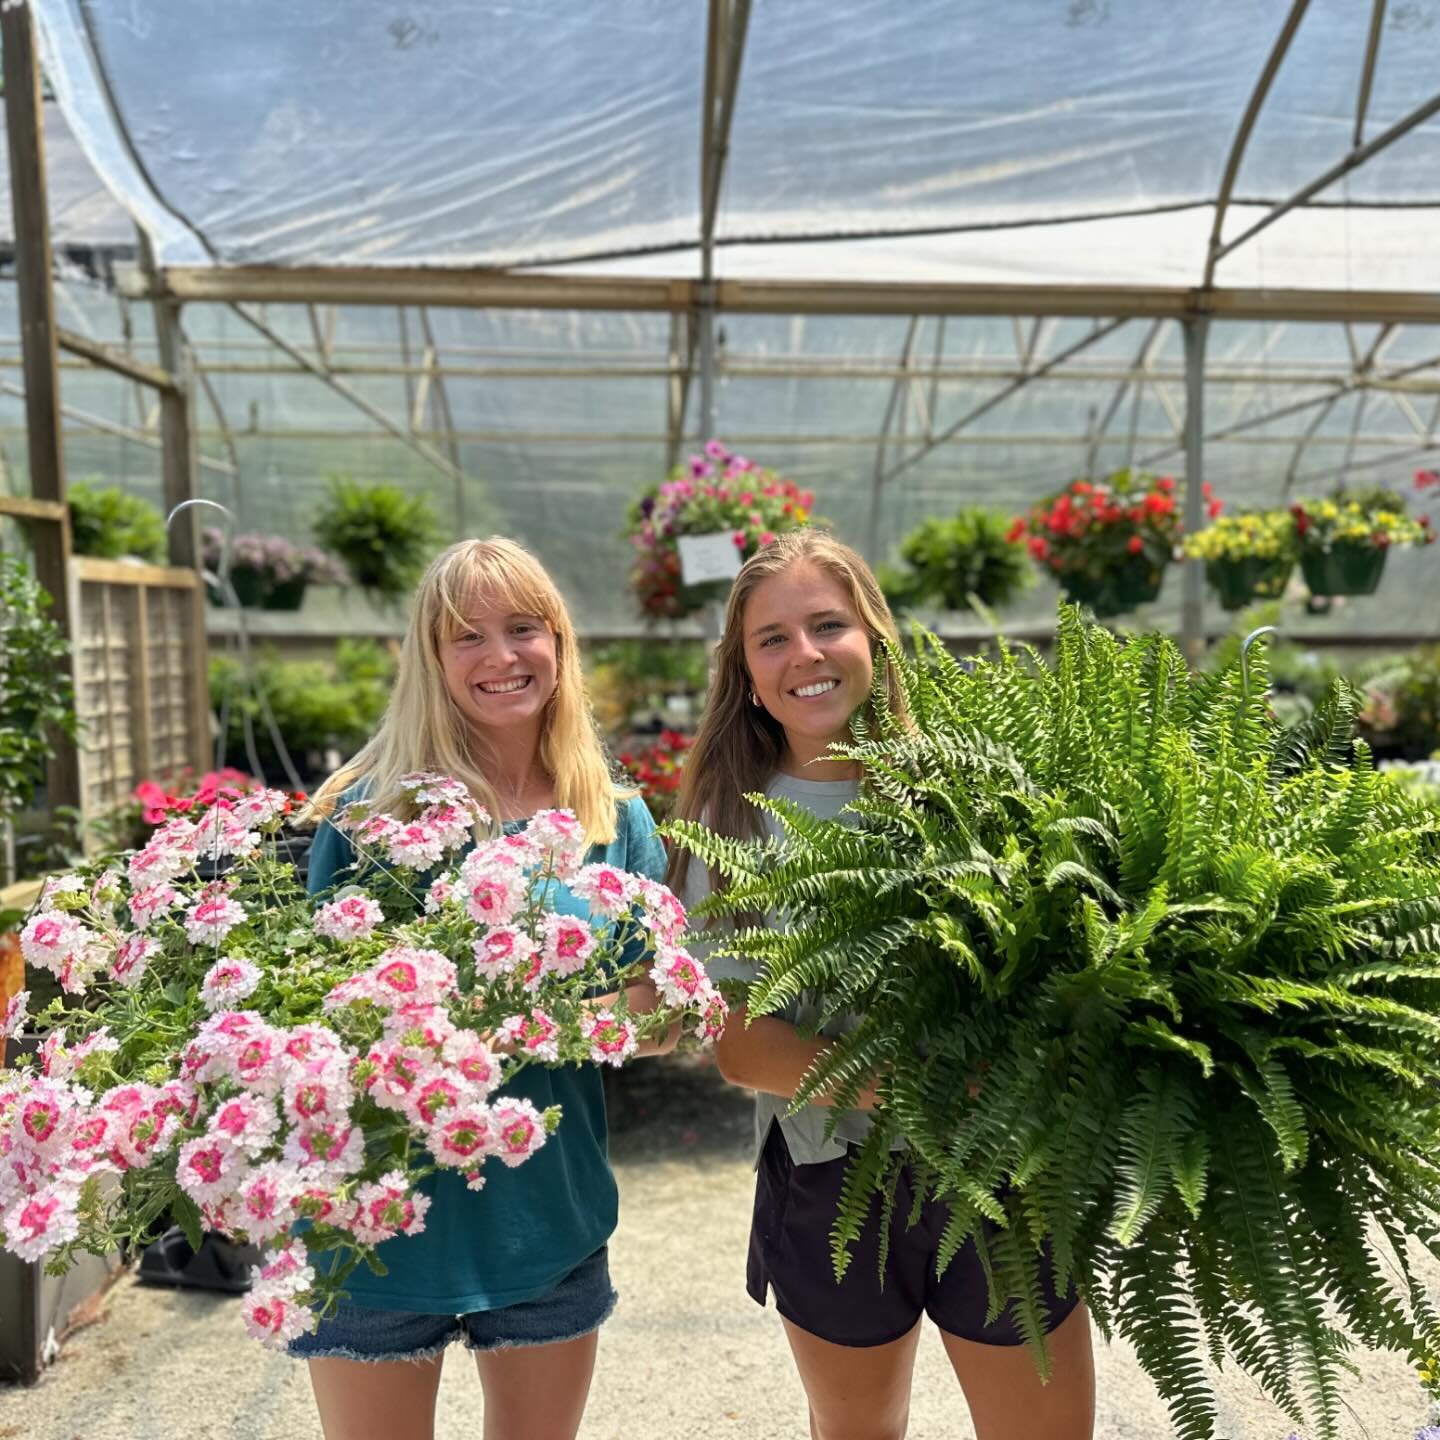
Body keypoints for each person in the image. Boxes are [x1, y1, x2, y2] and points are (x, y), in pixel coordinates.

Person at [667, 529, 1095, 1440]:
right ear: (743, 672)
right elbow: (742, 1048)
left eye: (829, 625)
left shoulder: (977, 790)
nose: (806, 655)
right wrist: (930, 1089)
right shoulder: (729, 821)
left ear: (876, 640)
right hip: (830, 1180)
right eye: (772, 639)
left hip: (1005, 1173)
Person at [295, 537, 674, 1440]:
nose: (501, 657)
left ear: (560, 643)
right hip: (372, 1231)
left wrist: (545, 1025)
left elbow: (660, 1014)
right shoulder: (369, 816)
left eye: (523, 628)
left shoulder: (614, 819)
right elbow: (317, 1020)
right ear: (431, 659)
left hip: (547, 1219)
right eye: (466, 636)